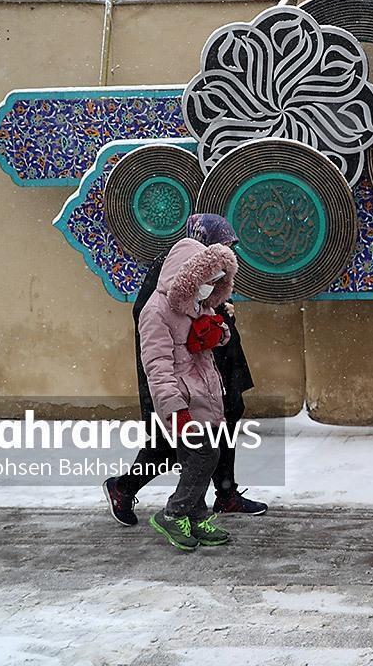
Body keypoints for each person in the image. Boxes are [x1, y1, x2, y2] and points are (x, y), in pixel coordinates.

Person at [103, 214, 266, 528]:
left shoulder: (207, 278)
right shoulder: (171, 270)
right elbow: (156, 325)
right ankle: (128, 489)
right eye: (223, 245)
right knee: (170, 447)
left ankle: (219, 496)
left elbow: (200, 313)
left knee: (215, 439)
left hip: (212, 372)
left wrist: (218, 316)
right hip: (180, 383)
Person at [129, 233, 238, 550]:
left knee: (199, 459)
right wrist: (175, 410)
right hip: (183, 403)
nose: (208, 288)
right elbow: (157, 366)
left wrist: (218, 333)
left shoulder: (195, 305)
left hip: (203, 397)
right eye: (205, 280)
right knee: (205, 455)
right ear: (187, 276)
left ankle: (196, 514)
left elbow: (212, 337)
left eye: (214, 282)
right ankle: (174, 513)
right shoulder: (156, 313)